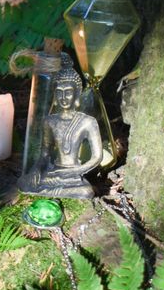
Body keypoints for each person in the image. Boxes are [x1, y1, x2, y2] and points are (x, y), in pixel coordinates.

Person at [21, 64, 103, 199]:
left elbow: (97, 157)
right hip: (54, 172)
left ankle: (49, 192)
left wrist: (77, 171)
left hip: (74, 175)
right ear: (54, 94)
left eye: (68, 92)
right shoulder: (49, 121)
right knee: (24, 183)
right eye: (59, 92)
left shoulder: (88, 122)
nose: (63, 97)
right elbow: (45, 154)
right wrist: (36, 170)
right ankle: (52, 190)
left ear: (77, 94)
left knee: (86, 192)